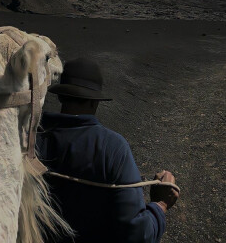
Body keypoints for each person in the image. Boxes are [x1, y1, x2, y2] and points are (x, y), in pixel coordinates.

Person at [36, 58, 179, 243]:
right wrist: (161, 204)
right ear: (95, 101)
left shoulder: (31, 137)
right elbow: (137, 235)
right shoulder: (112, 148)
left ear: (61, 96)